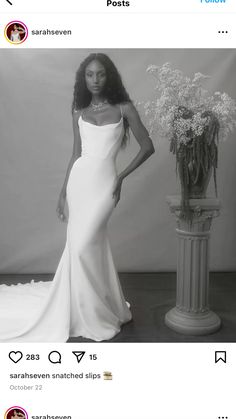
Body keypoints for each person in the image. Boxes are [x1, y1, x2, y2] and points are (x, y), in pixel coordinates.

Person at [0, 53, 155, 343]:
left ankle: (95, 311)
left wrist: (121, 177)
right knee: (84, 247)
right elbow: (76, 154)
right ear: (83, 79)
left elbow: (148, 146)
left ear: (109, 76)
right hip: (79, 184)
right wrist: (62, 192)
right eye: (89, 75)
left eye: (100, 74)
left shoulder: (124, 108)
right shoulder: (78, 112)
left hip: (105, 184)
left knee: (83, 247)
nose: (95, 80)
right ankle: (93, 306)